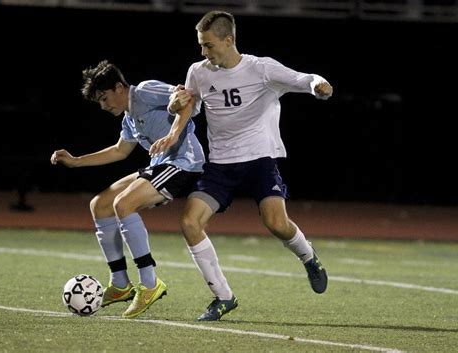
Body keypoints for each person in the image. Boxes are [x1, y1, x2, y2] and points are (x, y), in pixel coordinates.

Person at [150, 10, 333, 321]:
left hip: (259, 160)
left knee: (276, 224)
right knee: (190, 222)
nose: (203, 52)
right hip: (220, 165)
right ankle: (223, 297)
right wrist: (173, 113)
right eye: (201, 45)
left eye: (208, 45)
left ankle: (309, 257)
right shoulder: (199, 71)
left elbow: (305, 79)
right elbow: (188, 104)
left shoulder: (261, 68)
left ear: (229, 40)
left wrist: (319, 85)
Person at [50, 60, 205, 319]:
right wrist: (76, 161)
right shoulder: (129, 117)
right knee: (99, 205)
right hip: (159, 165)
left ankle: (150, 284)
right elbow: (120, 150)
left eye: (104, 98)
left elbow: (185, 98)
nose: (103, 105)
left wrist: (173, 135)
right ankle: (121, 284)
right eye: (98, 101)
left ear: (120, 87)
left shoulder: (144, 91)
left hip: (184, 163)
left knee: (123, 204)